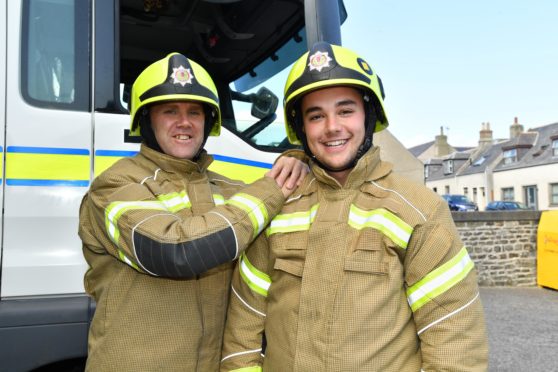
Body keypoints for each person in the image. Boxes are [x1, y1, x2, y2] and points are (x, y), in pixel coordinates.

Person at [220, 42, 489, 371]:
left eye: (345, 111)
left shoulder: (420, 212)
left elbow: (454, 339)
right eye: (316, 116)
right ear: (302, 129)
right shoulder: (280, 206)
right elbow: (242, 329)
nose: (332, 126)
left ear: (368, 116)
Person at [78, 52, 307, 372]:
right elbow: (176, 252)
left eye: (195, 112)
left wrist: (299, 158)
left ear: (208, 122)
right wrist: (271, 190)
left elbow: (299, 202)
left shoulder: (228, 189)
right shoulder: (115, 185)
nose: (184, 122)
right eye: (170, 110)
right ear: (146, 119)